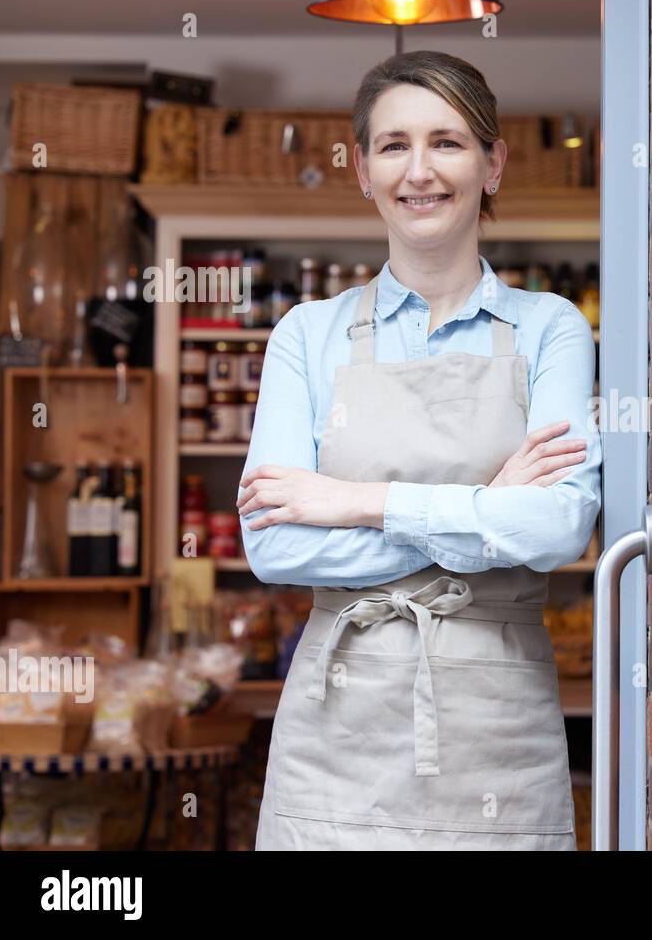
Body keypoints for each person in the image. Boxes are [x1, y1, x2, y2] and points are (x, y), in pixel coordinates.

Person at [237, 50, 601, 850]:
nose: (420, 170)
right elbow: (271, 541)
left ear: (493, 163)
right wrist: (487, 511)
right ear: (363, 170)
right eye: (394, 145)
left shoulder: (552, 330)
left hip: (498, 731)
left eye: (448, 141)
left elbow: (560, 528)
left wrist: (358, 501)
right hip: (336, 734)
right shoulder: (306, 335)